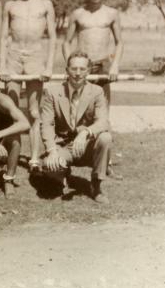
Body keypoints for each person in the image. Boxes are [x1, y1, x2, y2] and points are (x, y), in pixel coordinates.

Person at [0, 0, 56, 172]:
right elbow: (4, 37)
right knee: (12, 107)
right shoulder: (11, 6)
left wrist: (48, 66)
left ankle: (33, 158)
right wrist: (3, 66)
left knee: (33, 110)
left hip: (35, 58)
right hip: (13, 58)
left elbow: (52, 37)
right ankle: (12, 153)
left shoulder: (45, 5)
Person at [40, 51, 112, 204]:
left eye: (82, 69)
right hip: (63, 146)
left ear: (88, 70)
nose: (78, 73)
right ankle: (60, 176)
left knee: (105, 137)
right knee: (49, 165)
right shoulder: (52, 92)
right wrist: (52, 151)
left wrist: (85, 132)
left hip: (86, 146)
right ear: (66, 70)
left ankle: (96, 185)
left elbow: (103, 122)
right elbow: (46, 125)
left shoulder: (97, 91)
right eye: (73, 69)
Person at [63, 0, 124, 105]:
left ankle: (103, 125)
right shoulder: (77, 14)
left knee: (102, 106)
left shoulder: (112, 14)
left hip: (102, 65)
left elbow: (119, 43)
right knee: (80, 106)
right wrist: (70, 66)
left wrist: (115, 66)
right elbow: (66, 43)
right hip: (82, 65)